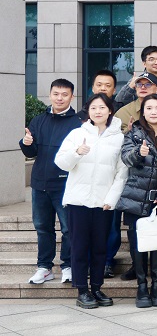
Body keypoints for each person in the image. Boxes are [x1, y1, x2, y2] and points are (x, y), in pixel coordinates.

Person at [54, 93, 127, 309]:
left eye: (102, 107)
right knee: (79, 247)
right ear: (88, 111)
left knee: (100, 248)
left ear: (110, 110)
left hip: (103, 203)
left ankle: (96, 287)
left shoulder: (119, 138)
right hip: (78, 201)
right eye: (93, 108)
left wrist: (111, 199)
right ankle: (82, 290)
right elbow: (60, 162)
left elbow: (121, 173)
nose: (98, 111)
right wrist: (77, 153)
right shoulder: (77, 134)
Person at [116, 93, 157, 308]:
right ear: (142, 112)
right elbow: (126, 158)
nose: (153, 112)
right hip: (137, 197)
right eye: (149, 108)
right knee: (139, 245)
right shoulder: (134, 132)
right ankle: (142, 286)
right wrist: (139, 153)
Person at [21, 78, 79, 285]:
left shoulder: (78, 123)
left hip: (65, 185)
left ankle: (68, 266)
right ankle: (44, 267)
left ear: (72, 96)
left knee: (68, 229)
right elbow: (31, 151)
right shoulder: (39, 120)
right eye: (56, 94)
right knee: (42, 227)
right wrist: (26, 143)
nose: (59, 98)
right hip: (40, 184)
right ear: (50, 95)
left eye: (64, 94)